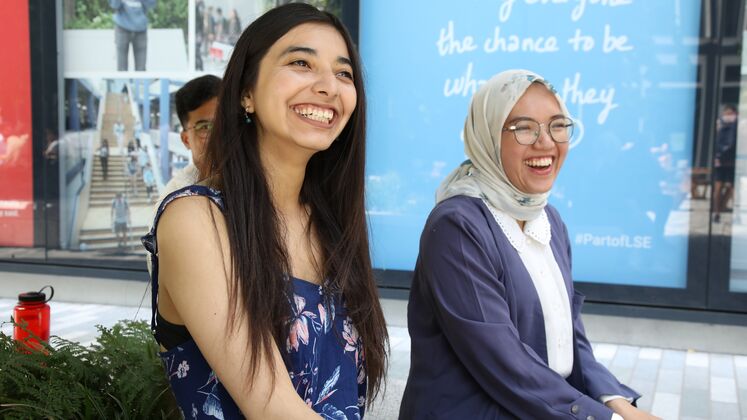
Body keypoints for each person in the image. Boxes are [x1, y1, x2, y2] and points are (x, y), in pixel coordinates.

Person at [141, 4, 388, 418]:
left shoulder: (330, 223)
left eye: (343, 73)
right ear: (246, 92)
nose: (329, 86)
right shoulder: (196, 219)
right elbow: (273, 409)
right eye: (301, 63)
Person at [399, 70, 658, 420]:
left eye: (558, 125)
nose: (546, 143)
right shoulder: (457, 226)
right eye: (524, 128)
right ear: (488, 136)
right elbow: (502, 360)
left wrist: (618, 403)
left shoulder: (548, 220)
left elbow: (571, 339)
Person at [156, 74, 221, 204]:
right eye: (205, 127)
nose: (220, 135)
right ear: (186, 140)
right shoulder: (176, 201)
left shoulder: (262, 177)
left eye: (226, 122)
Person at [109, 0, 155, 71]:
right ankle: (122, 82)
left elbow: (151, 4)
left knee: (141, 69)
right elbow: (114, 5)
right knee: (121, 68)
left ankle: (140, 82)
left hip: (141, 28)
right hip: (122, 27)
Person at [713, 104, 737, 223]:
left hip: (730, 160)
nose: (728, 116)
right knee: (719, 187)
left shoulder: (737, 125)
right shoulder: (719, 124)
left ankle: (722, 210)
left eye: (730, 113)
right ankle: (717, 212)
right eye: (726, 113)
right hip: (721, 160)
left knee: (731, 188)